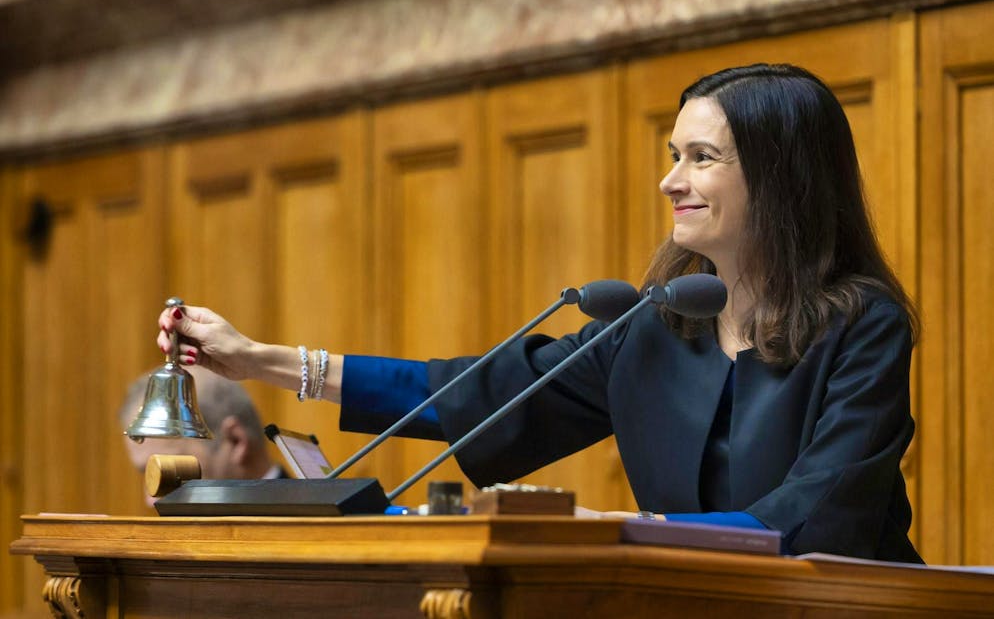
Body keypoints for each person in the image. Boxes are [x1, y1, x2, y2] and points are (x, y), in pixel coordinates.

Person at [156, 63, 922, 563]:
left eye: (700, 158)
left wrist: (626, 535)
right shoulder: (656, 325)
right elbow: (479, 394)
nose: (669, 181)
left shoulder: (864, 327)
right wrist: (260, 359)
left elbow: (820, 513)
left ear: (781, 178)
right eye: (671, 153)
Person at [120, 365, 287, 505]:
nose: (152, 500)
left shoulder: (304, 533)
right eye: (149, 475)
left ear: (236, 442)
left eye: (169, 471)